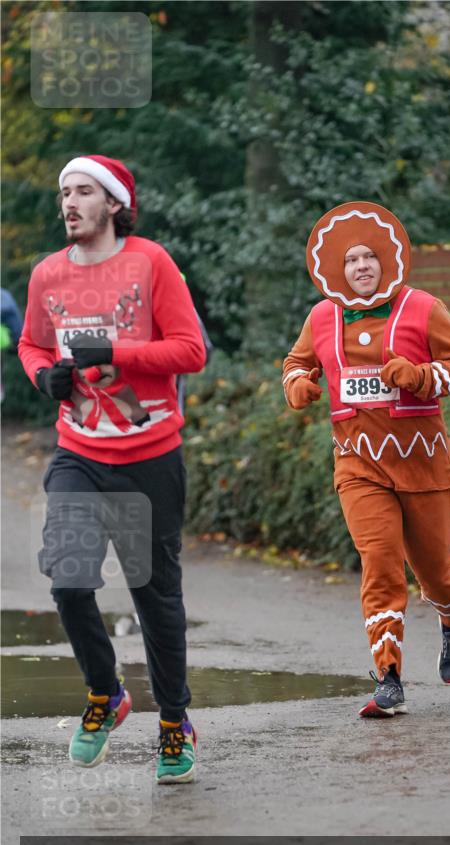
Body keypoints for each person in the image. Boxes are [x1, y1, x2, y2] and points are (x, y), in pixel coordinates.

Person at [18, 155, 206, 781]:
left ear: (114, 204)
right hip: (79, 452)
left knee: (155, 600)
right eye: (63, 192)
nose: (69, 203)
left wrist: (115, 351)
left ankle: (174, 723)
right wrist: (43, 374)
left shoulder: (150, 262)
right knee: (69, 581)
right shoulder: (48, 274)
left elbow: (190, 351)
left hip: (150, 457)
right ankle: (106, 693)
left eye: (83, 192)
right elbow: (33, 342)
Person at [282, 201, 450, 718]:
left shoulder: (423, 307)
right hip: (358, 463)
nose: (362, 266)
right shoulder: (322, 316)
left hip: (422, 461)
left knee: (435, 572)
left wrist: (419, 376)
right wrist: (298, 385)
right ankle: (389, 675)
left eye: (370, 257)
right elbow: (296, 362)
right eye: (351, 260)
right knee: (381, 563)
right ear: (337, 269)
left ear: (387, 262)